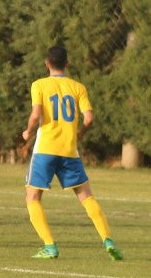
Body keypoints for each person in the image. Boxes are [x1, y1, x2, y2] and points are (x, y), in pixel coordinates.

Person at [21, 44, 123, 261]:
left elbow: (35, 114)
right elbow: (89, 119)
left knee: (32, 196)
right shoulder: (78, 87)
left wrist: (28, 132)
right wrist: (80, 133)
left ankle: (50, 246)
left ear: (47, 64)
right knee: (86, 196)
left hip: (45, 149)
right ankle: (108, 240)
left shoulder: (39, 85)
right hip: (69, 150)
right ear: (67, 64)